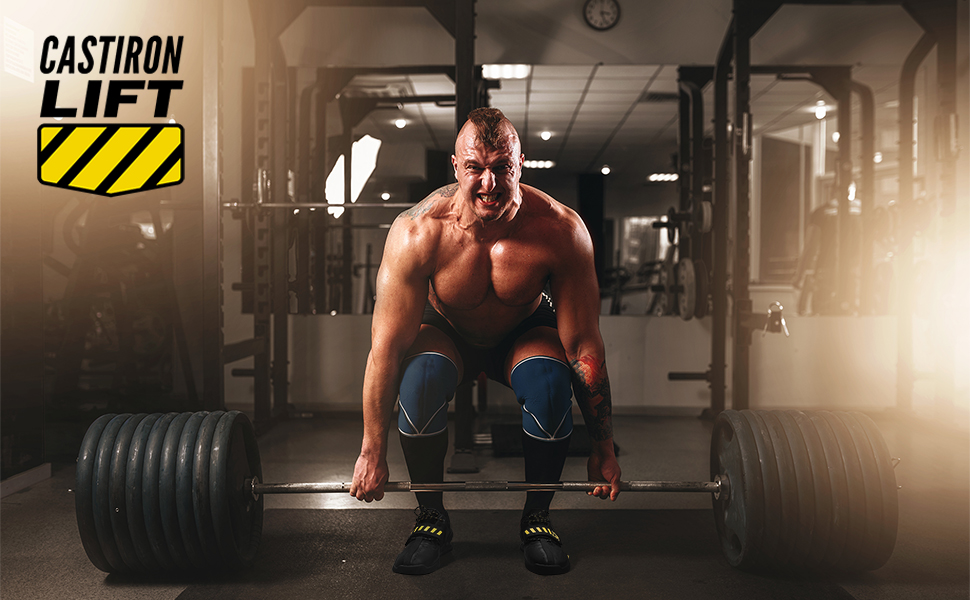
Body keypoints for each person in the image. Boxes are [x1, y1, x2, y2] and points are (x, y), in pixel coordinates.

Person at [348, 107, 621, 576]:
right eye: (475, 168)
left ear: (521, 164)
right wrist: (372, 450)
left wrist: (604, 447)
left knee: (551, 381)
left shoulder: (560, 230)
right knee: (420, 377)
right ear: (456, 167)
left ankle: (537, 518)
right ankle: (430, 517)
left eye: (502, 168)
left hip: (522, 329)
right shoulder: (418, 231)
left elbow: (582, 349)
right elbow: (387, 348)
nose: (489, 184)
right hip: (447, 329)